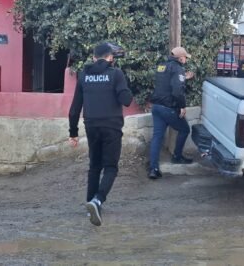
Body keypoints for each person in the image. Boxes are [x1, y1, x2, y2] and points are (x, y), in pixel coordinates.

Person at [68, 42, 133, 227]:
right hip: (111, 126)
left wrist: (73, 133)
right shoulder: (116, 74)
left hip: (91, 126)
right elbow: (126, 100)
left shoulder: (83, 75)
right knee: (111, 168)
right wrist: (123, 84)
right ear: (110, 58)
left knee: (94, 166)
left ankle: (90, 205)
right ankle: (97, 201)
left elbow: (74, 109)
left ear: (94, 58)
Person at [147, 46, 195, 179]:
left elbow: (167, 82)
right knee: (185, 129)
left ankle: (153, 168)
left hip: (156, 107)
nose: (186, 59)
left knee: (157, 137)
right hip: (168, 108)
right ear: (180, 58)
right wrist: (182, 106)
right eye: (185, 57)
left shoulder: (161, 66)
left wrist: (183, 78)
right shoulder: (178, 68)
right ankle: (177, 156)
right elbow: (177, 91)